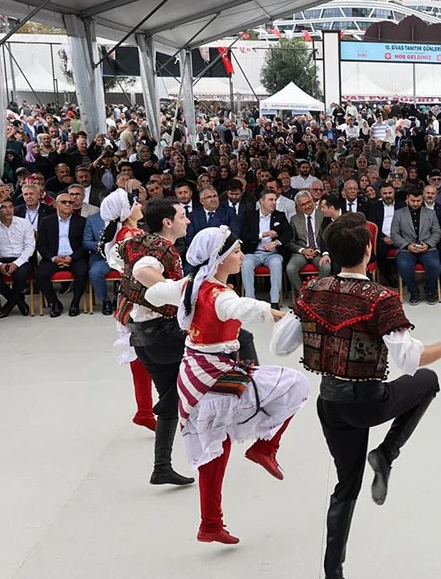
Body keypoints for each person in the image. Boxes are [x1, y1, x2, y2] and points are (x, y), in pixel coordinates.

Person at [271, 213, 441, 579]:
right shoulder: (381, 298)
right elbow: (411, 359)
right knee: (428, 382)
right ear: (367, 249)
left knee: (346, 487)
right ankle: (387, 452)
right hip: (366, 401)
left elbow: (282, 346)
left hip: (329, 403)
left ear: (331, 254)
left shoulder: (313, 289)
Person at [146, 227, 309, 544]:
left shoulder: (192, 286)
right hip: (216, 376)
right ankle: (266, 447)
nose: (242, 255)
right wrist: (282, 317)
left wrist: (163, 285)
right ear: (219, 259)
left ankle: (210, 524)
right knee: (295, 383)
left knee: (213, 449)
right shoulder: (220, 294)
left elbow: (155, 294)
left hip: (194, 376)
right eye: (236, 252)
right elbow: (241, 308)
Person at [115, 197, 195, 486]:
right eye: (183, 216)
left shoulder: (144, 242)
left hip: (144, 335)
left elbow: (118, 257)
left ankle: (161, 467)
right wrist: (181, 289)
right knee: (221, 353)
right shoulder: (157, 249)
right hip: (160, 334)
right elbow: (141, 271)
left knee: (171, 401)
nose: (187, 220)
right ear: (167, 222)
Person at [100, 189, 157, 432]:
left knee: (145, 356)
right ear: (126, 211)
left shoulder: (128, 233)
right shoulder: (130, 235)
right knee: (145, 356)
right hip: (140, 300)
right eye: (135, 203)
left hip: (137, 298)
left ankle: (147, 409)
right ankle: (146, 409)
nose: (139, 205)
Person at [35, 191, 89, 317]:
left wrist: (72, 257)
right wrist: (53, 258)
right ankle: (54, 303)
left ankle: (75, 303)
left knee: (82, 272)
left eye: (70, 202)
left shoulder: (81, 221)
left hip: (74, 257)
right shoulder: (46, 221)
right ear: (55, 205)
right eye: (64, 202)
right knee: (40, 275)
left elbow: (84, 245)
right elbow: (41, 245)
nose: (68, 204)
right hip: (54, 257)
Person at [0, 196, 34, 319]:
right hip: (1, 260)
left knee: (20, 276)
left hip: (22, 259)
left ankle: (8, 306)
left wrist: (17, 263)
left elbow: (30, 247)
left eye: (10, 207)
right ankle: (18, 299)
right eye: (3, 207)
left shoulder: (24, 223)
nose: (8, 210)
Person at [391, 187, 441, 305]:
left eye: (418, 201)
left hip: (427, 248)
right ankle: (414, 291)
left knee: (435, 265)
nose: (415, 203)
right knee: (404, 266)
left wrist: (428, 244)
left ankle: (430, 291)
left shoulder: (430, 212)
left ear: (422, 200)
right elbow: (394, 234)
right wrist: (407, 245)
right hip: (406, 248)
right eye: (412, 201)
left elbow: (436, 232)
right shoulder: (398, 213)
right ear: (407, 199)